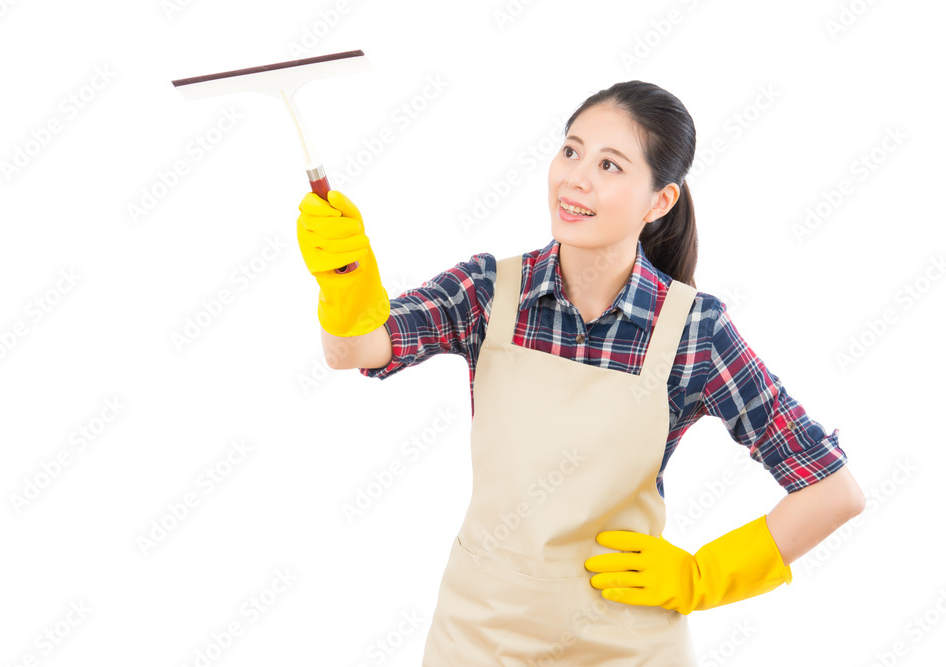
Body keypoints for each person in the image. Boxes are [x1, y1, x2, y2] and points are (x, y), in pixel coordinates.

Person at [297, 80, 865, 666]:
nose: (576, 177)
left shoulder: (690, 330)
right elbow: (357, 349)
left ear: (659, 202)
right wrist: (344, 281)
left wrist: (702, 576)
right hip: (479, 637)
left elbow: (833, 491)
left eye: (610, 165)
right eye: (571, 151)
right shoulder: (490, 292)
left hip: (622, 644)